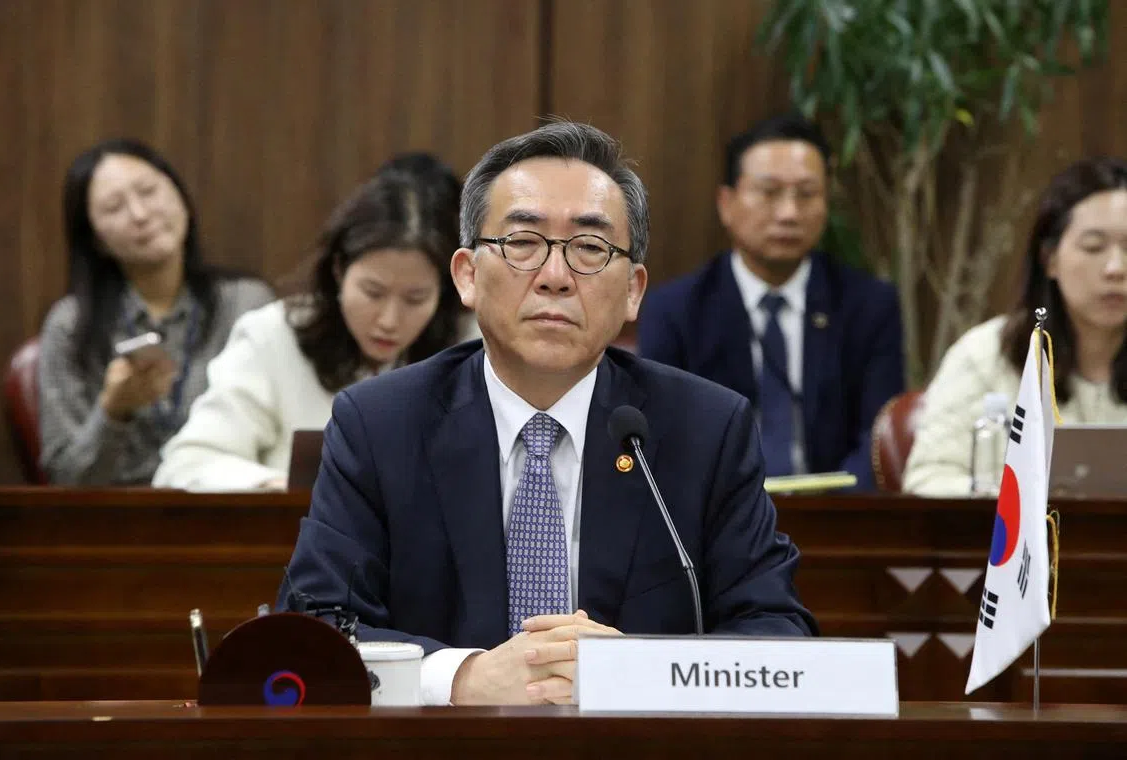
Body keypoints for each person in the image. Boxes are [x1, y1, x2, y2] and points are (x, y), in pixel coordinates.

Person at [277, 121, 817, 707]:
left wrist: (635, 671)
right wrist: (463, 677)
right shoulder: (379, 424)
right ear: (467, 276)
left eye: (590, 249)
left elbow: (778, 636)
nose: (555, 278)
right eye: (523, 243)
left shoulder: (706, 430)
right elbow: (315, 628)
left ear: (633, 291)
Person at [153, 159, 472, 490]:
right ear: (339, 269)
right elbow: (187, 464)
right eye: (372, 292)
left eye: (415, 299)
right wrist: (281, 488)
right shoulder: (272, 336)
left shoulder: (470, 348)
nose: (389, 320)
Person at [637, 113, 904, 489]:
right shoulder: (676, 312)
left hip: (838, 511)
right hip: (718, 514)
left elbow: (878, 439)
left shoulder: (869, 307)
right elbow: (667, 440)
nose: (789, 213)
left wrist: (838, 508)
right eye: (769, 192)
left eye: (806, 194)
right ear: (727, 203)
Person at [38, 138, 274, 485]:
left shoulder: (246, 304)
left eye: (148, 191)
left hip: (230, 503)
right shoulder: (70, 326)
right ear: (95, 239)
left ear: (180, 196)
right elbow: (65, 479)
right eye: (114, 207)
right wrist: (113, 413)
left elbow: (278, 437)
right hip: (119, 513)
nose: (140, 214)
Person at [904, 157, 1127, 496]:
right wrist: (1017, 504)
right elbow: (927, 479)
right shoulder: (985, 356)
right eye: (1094, 247)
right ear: (1050, 259)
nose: (1115, 268)